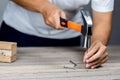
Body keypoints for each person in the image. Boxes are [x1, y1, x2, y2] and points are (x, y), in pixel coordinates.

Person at [0, 0, 114, 69]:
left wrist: (97, 44)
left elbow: (102, 22)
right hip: (18, 31)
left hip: (68, 41)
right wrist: (44, 7)